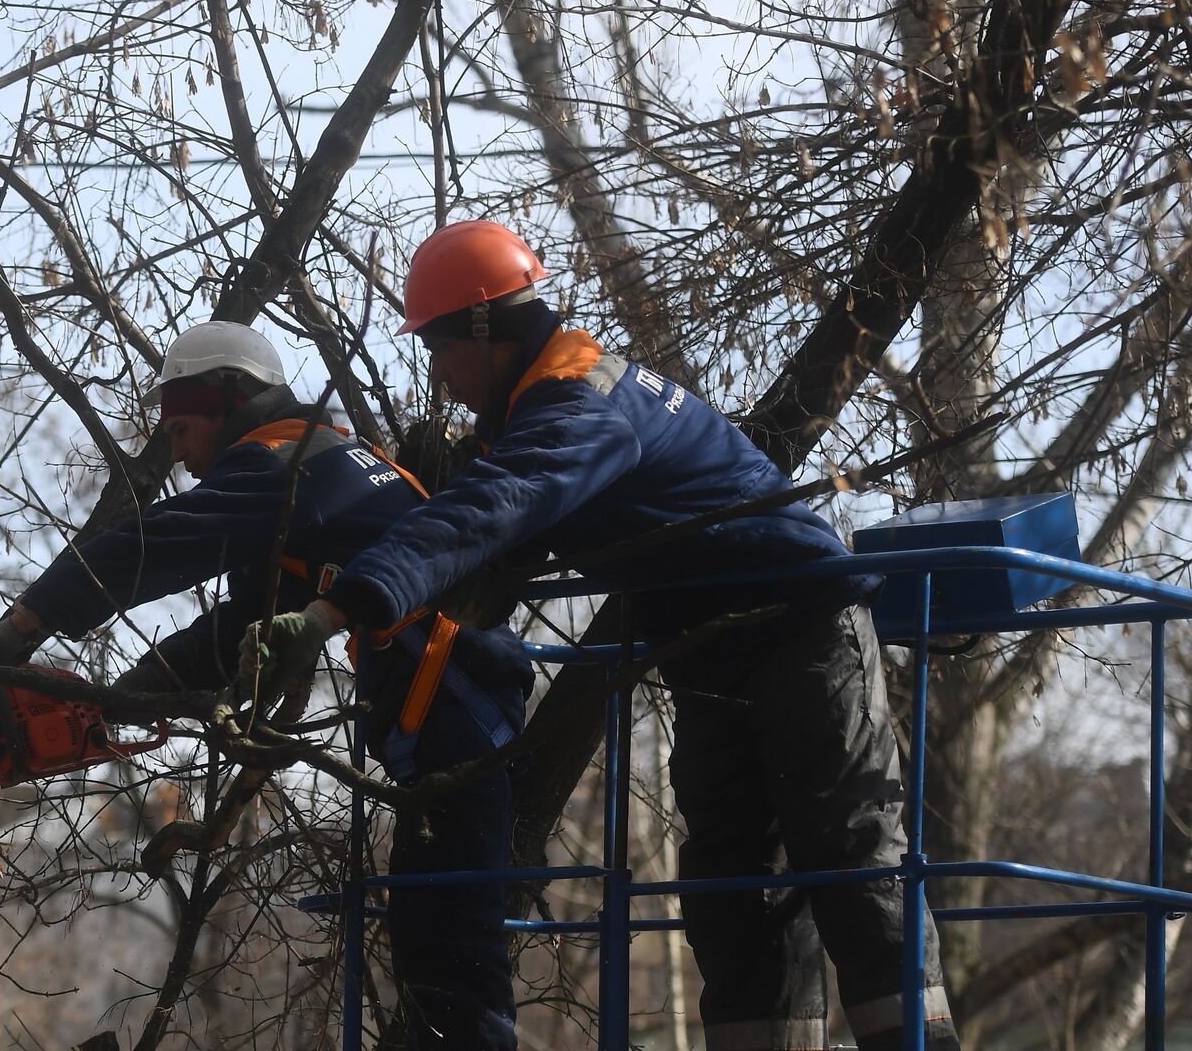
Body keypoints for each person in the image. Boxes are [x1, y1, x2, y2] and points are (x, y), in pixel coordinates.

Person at [249, 221, 962, 1051]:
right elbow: (491, 547)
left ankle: (920, 1038)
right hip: (706, 648)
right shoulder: (539, 412)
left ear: (484, 329)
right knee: (735, 878)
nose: (440, 378)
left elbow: (492, 508)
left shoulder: (579, 402)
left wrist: (336, 609)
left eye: (440, 351)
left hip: (803, 626)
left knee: (848, 842)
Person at [0, 320, 533, 1049]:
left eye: (182, 429)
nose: (179, 454)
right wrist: (125, 698)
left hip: (456, 707)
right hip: (455, 703)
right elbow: (245, 623)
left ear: (231, 401)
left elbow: (157, 544)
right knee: (437, 945)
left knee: (451, 954)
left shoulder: (281, 464)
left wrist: (23, 624)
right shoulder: (330, 462)